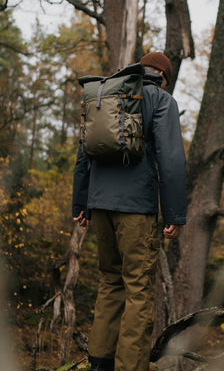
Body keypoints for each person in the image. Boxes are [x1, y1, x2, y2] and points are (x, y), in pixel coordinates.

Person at [72, 52, 187, 371]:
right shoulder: (161, 100)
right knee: (138, 289)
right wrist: (175, 214)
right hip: (137, 210)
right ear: (164, 76)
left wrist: (80, 204)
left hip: (100, 207)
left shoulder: (106, 94)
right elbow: (173, 161)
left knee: (110, 281)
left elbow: (84, 153)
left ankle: (99, 363)